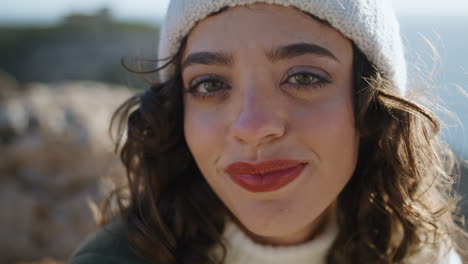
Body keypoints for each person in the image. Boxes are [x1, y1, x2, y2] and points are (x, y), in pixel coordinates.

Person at [67, 0, 467, 263]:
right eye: (210, 84)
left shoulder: (423, 257)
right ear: (176, 112)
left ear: (373, 107)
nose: (253, 128)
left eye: (305, 77)